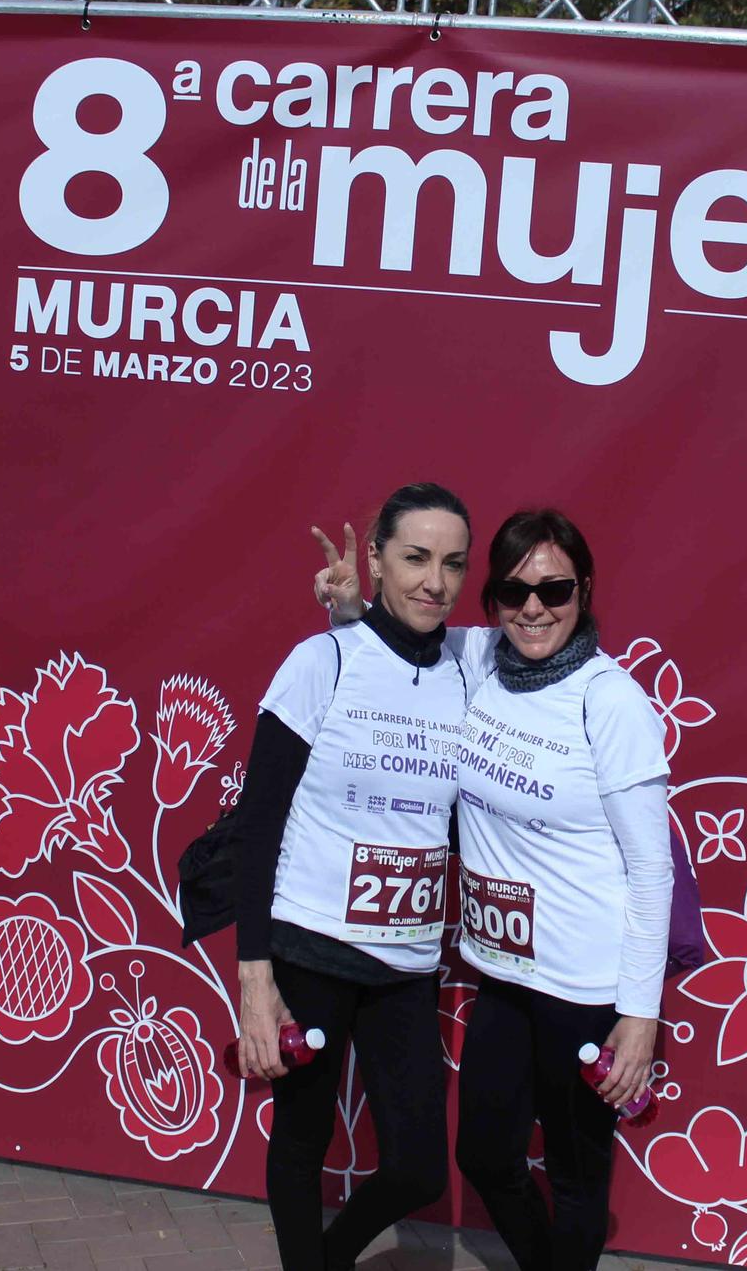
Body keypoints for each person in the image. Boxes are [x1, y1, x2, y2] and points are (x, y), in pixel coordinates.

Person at [318, 508, 671, 1271]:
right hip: (503, 974)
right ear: (493, 600)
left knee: (577, 1180)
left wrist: (639, 1018)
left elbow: (652, 869)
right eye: (513, 591)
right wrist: (352, 610)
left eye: (554, 588)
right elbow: (395, 649)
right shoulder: (478, 657)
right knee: (484, 1153)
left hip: (584, 983)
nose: (534, 608)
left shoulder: (610, 701)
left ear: (586, 589)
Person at [236, 483, 471, 1271]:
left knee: (416, 1167)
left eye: (451, 563)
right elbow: (259, 824)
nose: (433, 581)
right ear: (375, 560)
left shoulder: (470, 665)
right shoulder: (319, 660)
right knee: (301, 1140)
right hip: (310, 947)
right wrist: (255, 977)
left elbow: (547, 639)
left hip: (404, 964)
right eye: (414, 558)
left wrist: (352, 610)